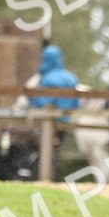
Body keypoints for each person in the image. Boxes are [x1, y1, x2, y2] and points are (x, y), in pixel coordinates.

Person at [29, 44, 79, 181]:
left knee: (45, 151)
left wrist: (32, 101)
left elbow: (42, 102)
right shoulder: (71, 78)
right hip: (65, 123)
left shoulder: (46, 79)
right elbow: (76, 103)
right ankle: (55, 176)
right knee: (56, 150)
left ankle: (42, 177)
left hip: (49, 122)